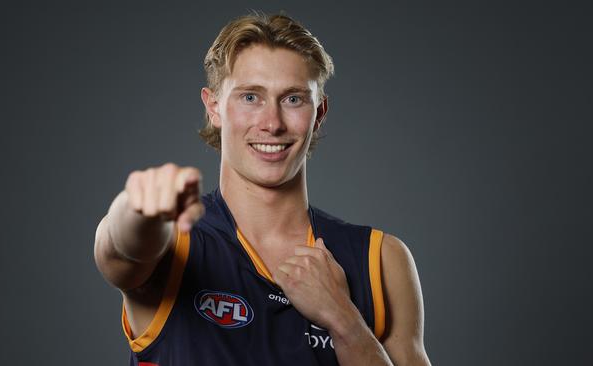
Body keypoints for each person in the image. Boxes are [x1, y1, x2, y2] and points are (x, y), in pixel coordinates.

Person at [94, 13, 431, 366]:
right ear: (213, 108)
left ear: (319, 113)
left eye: (293, 99)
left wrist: (345, 322)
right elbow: (119, 250)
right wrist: (137, 208)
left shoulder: (380, 259)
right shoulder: (172, 244)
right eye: (250, 97)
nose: (271, 123)